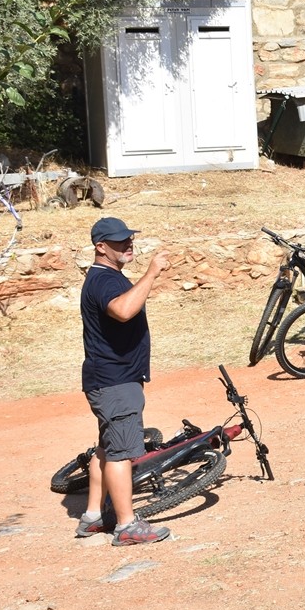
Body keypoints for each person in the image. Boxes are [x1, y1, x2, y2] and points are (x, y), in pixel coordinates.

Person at [77, 217, 171, 546]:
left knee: (106, 449)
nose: (128, 244)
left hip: (110, 379)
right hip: (115, 381)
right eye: (120, 241)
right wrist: (151, 273)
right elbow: (122, 310)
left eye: (129, 238)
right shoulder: (103, 280)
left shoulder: (107, 276)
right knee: (120, 454)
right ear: (101, 247)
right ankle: (126, 526)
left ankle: (92, 516)